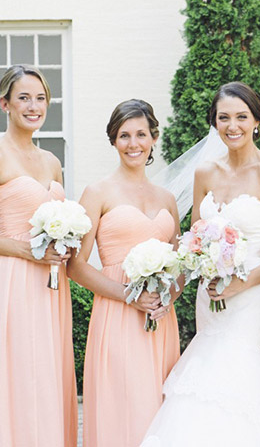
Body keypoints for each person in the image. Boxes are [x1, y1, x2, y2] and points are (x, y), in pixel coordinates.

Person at [140, 81, 260, 446]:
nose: (233, 126)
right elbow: (195, 238)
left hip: (250, 297)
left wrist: (243, 282)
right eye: (223, 118)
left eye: (242, 117)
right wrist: (182, 281)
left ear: (256, 121)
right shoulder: (205, 172)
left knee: (231, 372)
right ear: (214, 123)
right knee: (206, 373)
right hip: (209, 295)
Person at [0, 64, 77, 446]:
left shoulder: (52, 161)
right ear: (4, 103)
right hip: (14, 280)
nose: (33, 106)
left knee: (48, 372)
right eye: (24, 98)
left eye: (40, 98)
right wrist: (25, 250)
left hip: (53, 285)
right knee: (21, 371)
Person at [66, 99, 182, 447]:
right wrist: (130, 296)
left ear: (154, 138)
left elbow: (179, 265)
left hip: (161, 318)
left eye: (141, 134)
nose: (134, 144)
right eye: (124, 136)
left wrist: (168, 297)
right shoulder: (97, 193)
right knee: (123, 404)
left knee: (160, 406)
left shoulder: (167, 198)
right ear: (114, 140)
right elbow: (75, 266)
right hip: (117, 313)